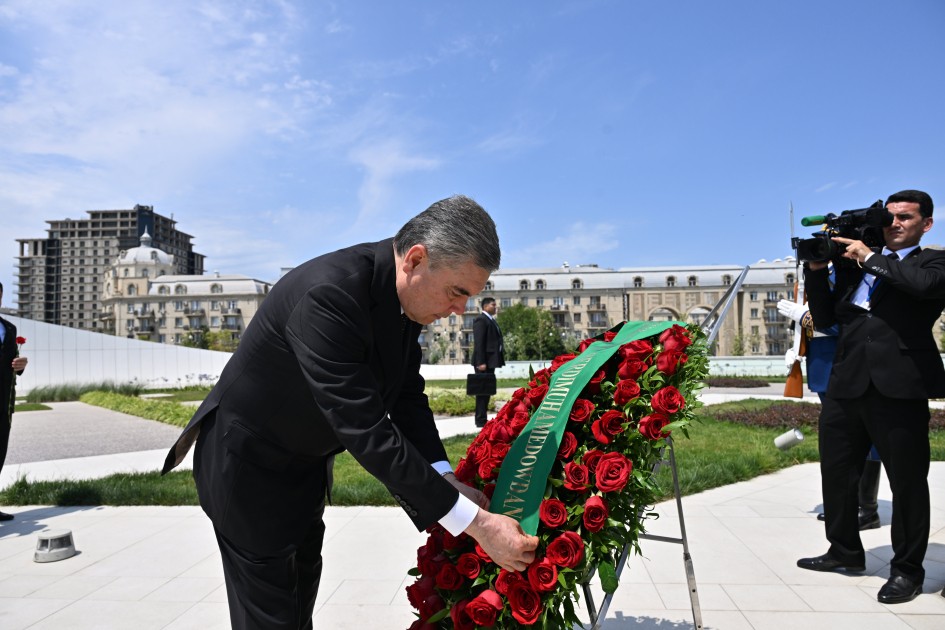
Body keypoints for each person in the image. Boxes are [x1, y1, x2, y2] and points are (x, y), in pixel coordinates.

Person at [162, 195, 538, 629]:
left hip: (301, 469)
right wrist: (475, 523)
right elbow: (366, 430)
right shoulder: (331, 295)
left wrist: (444, 476)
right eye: (458, 293)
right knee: (269, 619)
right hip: (248, 472)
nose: (460, 310)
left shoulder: (400, 299)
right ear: (416, 259)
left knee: (298, 602)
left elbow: (406, 395)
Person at [797, 190, 945, 604]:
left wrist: (870, 258)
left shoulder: (932, 261)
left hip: (900, 386)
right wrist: (816, 267)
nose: (895, 223)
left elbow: (920, 287)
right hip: (846, 384)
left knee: (908, 482)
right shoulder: (856, 266)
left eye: (905, 218)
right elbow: (826, 318)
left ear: (925, 224)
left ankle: (908, 571)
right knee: (838, 473)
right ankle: (844, 550)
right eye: (890, 217)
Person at [779, 279, 883, 531]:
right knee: (841, 439)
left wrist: (806, 318)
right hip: (823, 365)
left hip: (846, 363)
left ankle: (866, 508)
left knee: (864, 437)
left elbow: (852, 322)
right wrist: (798, 345)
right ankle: (846, 506)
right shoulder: (817, 276)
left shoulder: (850, 273)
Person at [0, 282, 28, 522]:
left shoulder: (9, 328)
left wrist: (21, 366)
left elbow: (12, 362)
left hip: (3, 403)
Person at [471, 296, 504, 427]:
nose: (495, 307)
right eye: (493, 305)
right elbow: (479, 343)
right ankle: (480, 420)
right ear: (485, 307)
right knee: (482, 391)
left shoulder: (491, 320)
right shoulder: (481, 320)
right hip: (483, 363)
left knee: (487, 390)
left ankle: (483, 418)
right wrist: (481, 362)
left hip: (490, 362)